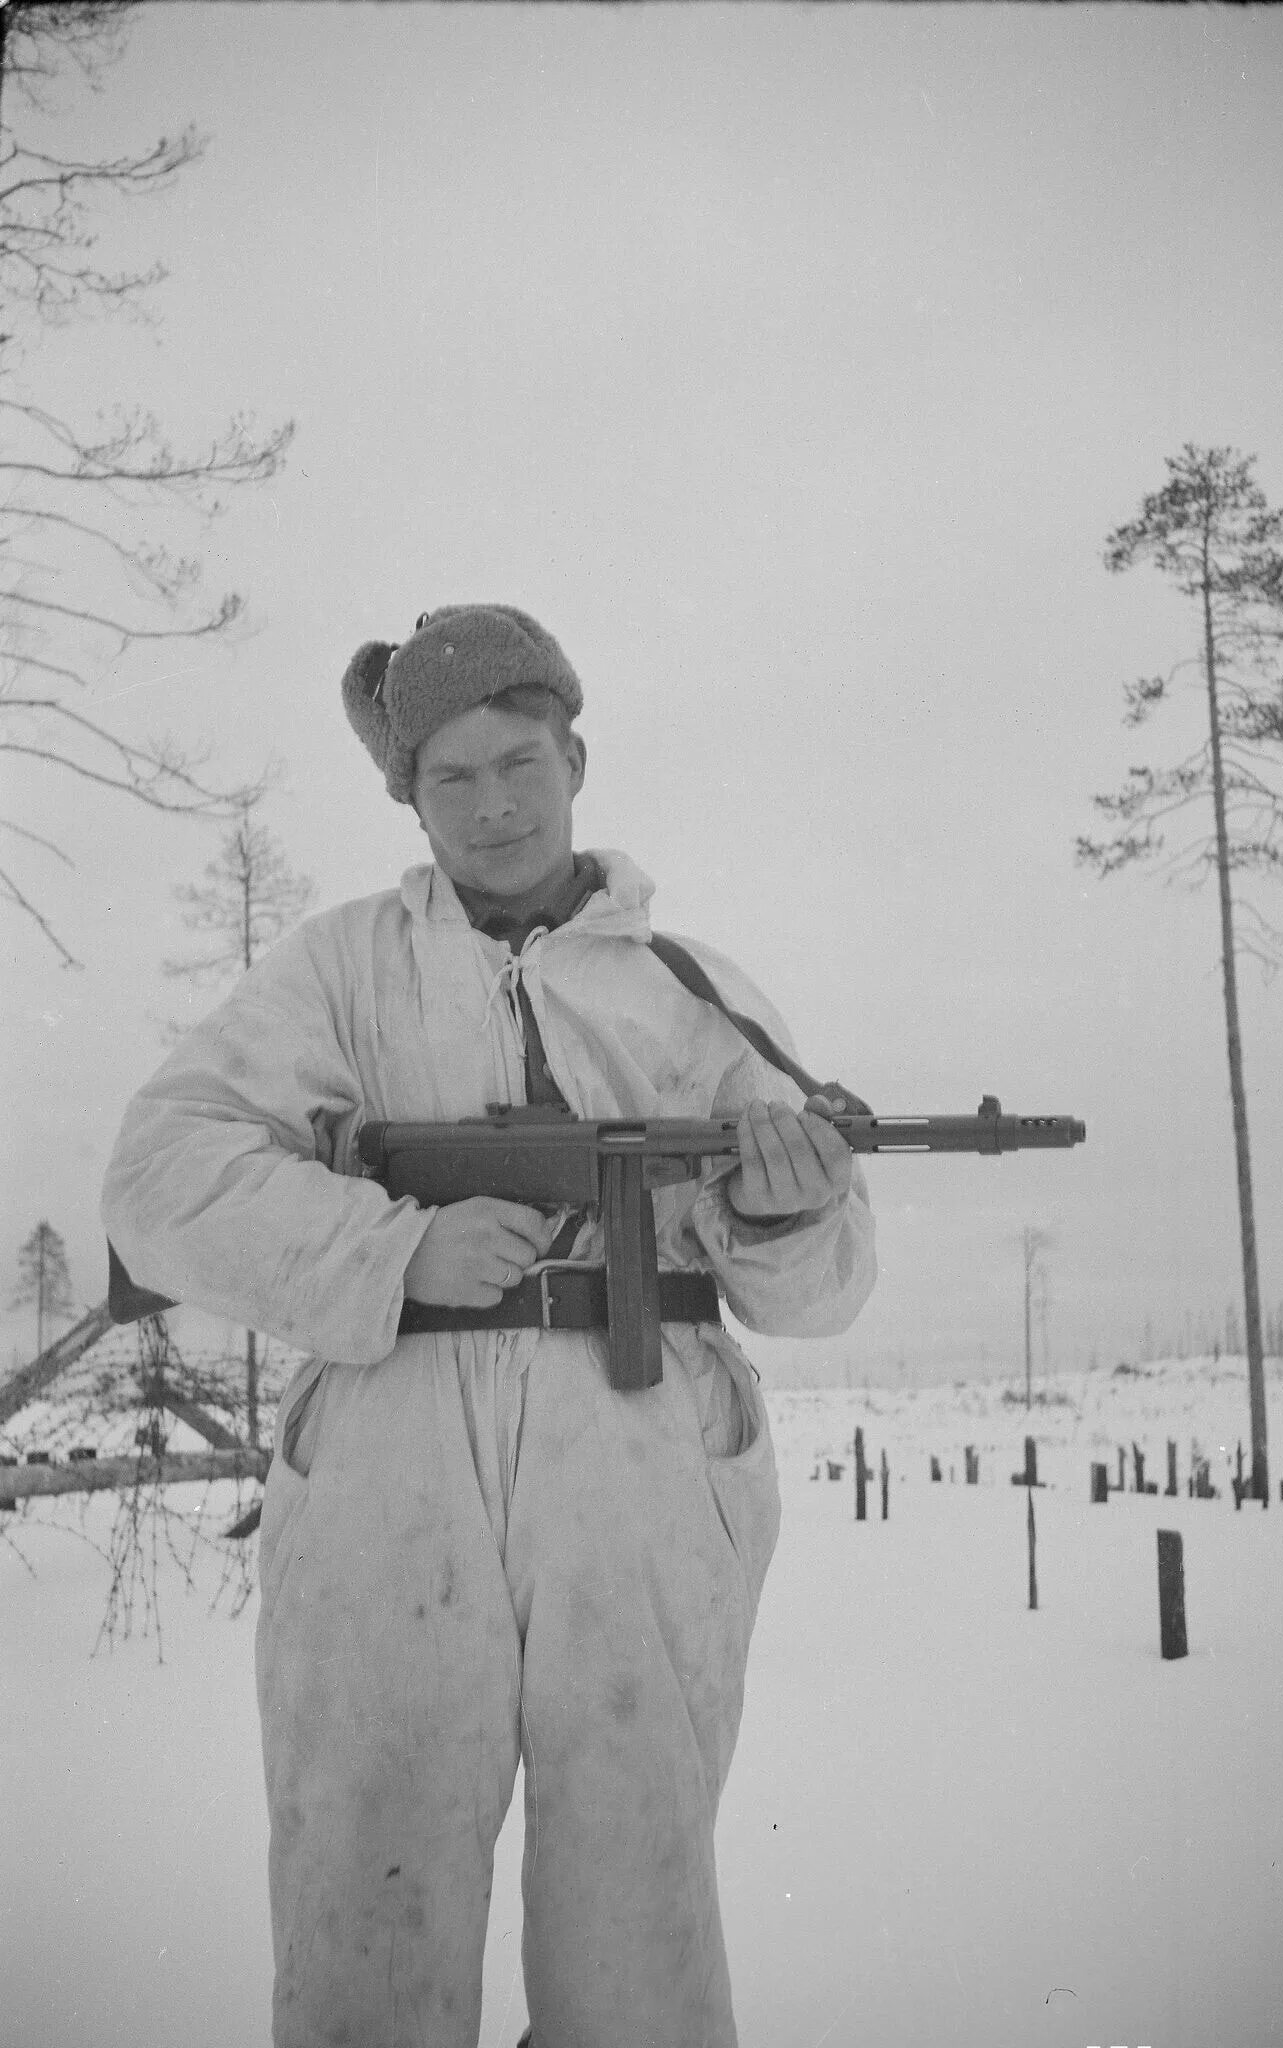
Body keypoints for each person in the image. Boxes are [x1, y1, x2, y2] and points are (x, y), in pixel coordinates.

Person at [102, 604, 877, 2048]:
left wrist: (782, 1214)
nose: (493, 806)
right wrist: (394, 1249)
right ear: (408, 795)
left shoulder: (686, 989)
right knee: (363, 1891)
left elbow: (823, 1295)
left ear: (574, 757)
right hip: (391, 1466)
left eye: (518, 761)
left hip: (643, 1468)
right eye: (448, 778)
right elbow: (157, 1180)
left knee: (637, 1902)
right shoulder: (337, 973)